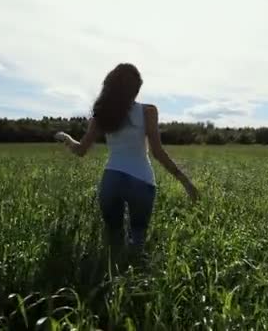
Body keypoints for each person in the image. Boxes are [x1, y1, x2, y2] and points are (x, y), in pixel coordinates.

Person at [55, 63, 198, 270]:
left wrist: (65, 137)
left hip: (111, 180)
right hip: (142, 182)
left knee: (114, 241)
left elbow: (80, 150)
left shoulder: (102, 115)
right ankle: (133, 286)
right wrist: (186, 182)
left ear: (109, 86)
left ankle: (112, 285)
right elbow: (158, 153)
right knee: (138, 240)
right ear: (137, 88)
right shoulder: (148, 111)